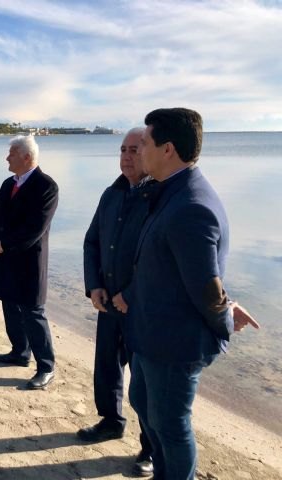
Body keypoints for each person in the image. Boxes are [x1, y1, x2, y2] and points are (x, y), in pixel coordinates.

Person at [121, 108, 259, 480]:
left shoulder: (191, 206)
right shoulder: (171, 191)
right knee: (143, 403)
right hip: (152, 333)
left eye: (145, 143)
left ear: (167, 150)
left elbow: (205, 284)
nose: (137, 151)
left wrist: (226, 315)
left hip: (175, 342)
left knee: (170, 425)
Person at [81, 127, 153, 477]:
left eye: (134, 150)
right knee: (107, 366)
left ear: (151, 152)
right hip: (108, 302)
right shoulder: (112, 192)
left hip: (142, 309)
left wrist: (131, 293)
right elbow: (92, 241)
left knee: (144, 381)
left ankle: (149, 447)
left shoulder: (158, 195)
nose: (126, 156)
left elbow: (158, 260)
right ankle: (111, 420)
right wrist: (93, 285)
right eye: (122, 149)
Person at [0, 135, 59, 390]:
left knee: (32, 312)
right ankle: (19, 351)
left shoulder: (46, 186)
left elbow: (35, 228)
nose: (7, 158)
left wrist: (3, 244)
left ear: (26, 157)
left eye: (11, 153)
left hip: (29, 261)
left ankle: (46, 366)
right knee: (9, 307)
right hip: (5, 258)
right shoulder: (9, 184)